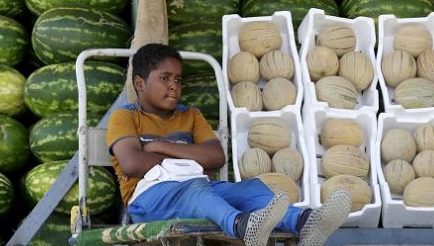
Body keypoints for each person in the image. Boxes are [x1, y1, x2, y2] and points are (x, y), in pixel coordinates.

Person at [106, 43, 351, 246]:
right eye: (165, 78)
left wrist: (160, 146)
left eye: (178, 80)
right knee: (197, 191)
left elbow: (215, 157)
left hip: (199, 189)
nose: (174, 86)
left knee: (252, 189)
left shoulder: (190, 115)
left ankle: (305, 221)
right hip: (150, 202)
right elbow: (132, 163)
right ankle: (242, 226)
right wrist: (192, 157)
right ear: (140, 83)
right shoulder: (126, 117)